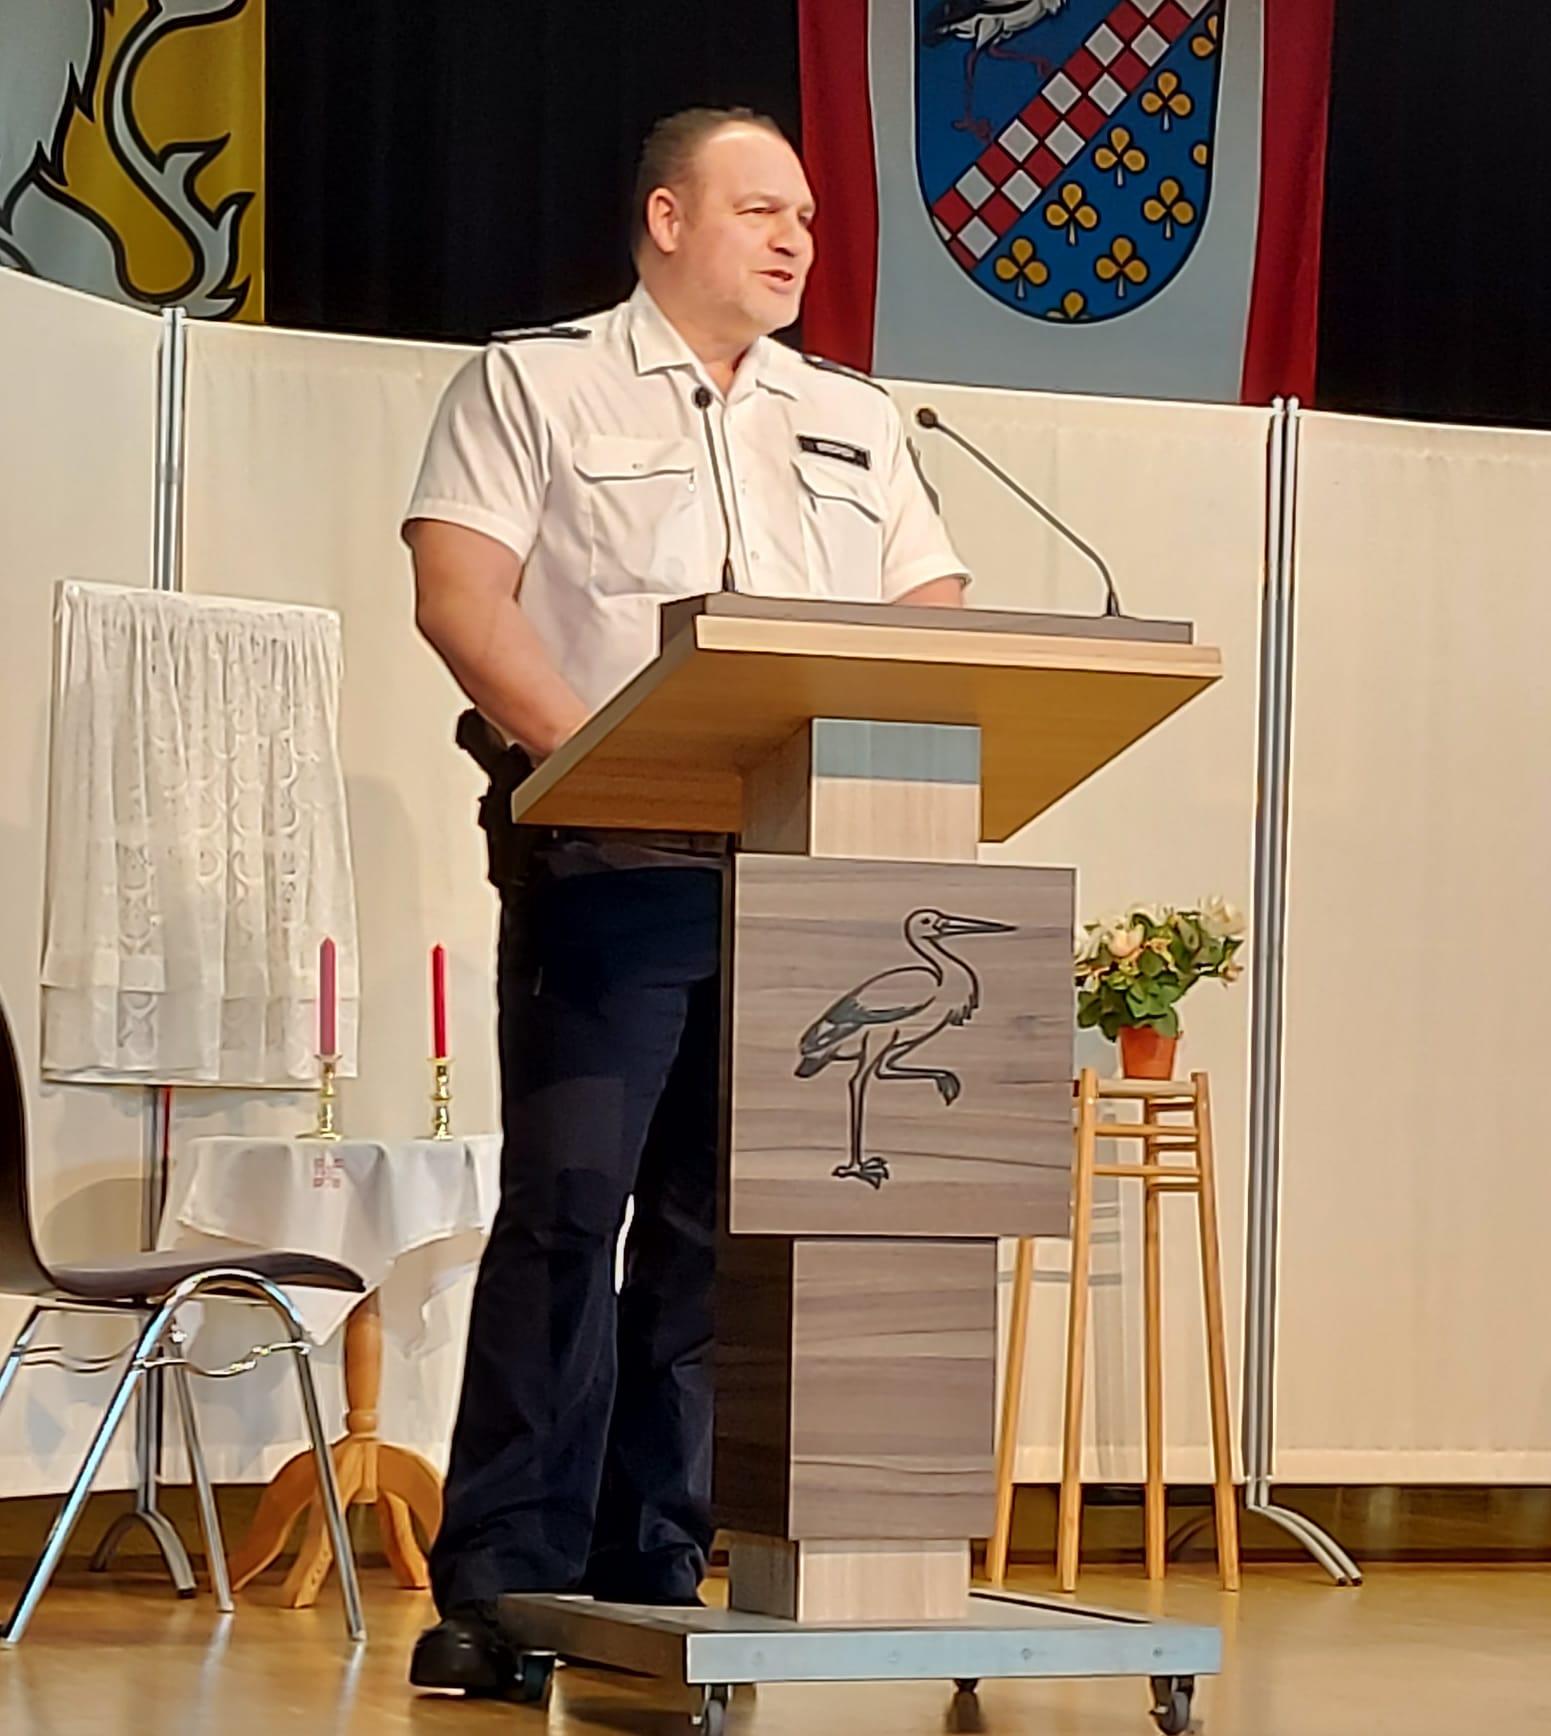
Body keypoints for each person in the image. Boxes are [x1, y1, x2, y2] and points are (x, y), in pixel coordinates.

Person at [401, 107, 969, 1693]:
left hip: (807, 872)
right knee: (570, 1217)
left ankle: (656, 1575)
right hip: (612, 858)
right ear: (666, 219)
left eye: (808, 219)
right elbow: (460, 592)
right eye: (760, 210)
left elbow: (931, 602)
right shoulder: (536, 383)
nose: (796, 240)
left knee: (722, 1240)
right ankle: (506, 1590)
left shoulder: (855, 417)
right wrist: (601, 759)